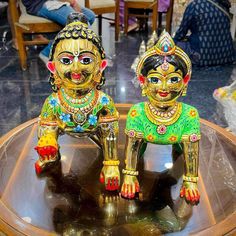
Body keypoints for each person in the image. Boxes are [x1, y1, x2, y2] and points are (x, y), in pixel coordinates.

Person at [34, 13, 120, 191]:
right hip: (62, 126)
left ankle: (110, 162)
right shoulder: (53, 102)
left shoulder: (103, 101)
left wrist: (111, 162)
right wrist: (48, 141)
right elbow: (47, 127)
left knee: (108, 129)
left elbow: (111, 133)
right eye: (66, 60)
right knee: (46, 129)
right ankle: (51, 157)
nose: (75, 69)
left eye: (86, 60)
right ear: (53, 67)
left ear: (101, 65)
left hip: (97, 128)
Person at [121, 32, 200, 205]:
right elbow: (133, 147)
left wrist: (191, 180)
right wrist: (129, 176)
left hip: (177, 158)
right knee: (136, 149)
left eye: (173, 79)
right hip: (139, 157)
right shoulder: (138, 113)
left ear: (185, 81)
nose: (163, 87)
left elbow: (192, 150)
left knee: (181, 153)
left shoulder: (189, 115)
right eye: (155, 79)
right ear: (143, 80)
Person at [21, 0, 95, 63]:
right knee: (80, 23)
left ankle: (56, 49)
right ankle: (49, 53)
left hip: (57, 1)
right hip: (40, 4)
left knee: (89, 16)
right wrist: (72, 3)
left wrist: (73, 2)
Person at [173, 0, 235, 66]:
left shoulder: (194, 6)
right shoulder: (223, 4)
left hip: (202, 57)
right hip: (227, 56)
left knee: (170, 44)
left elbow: (180, 34)